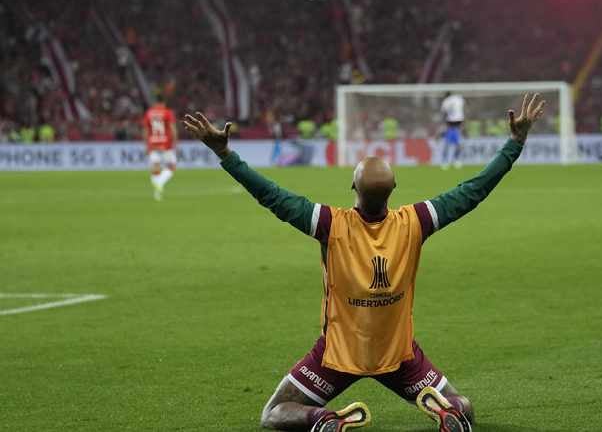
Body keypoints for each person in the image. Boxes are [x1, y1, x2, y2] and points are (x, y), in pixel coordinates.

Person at [183, 93, 547, 432]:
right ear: (393, 190)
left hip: (337, 355)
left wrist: (226, 154)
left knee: (274, 414)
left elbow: (272, 197)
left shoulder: (330, 224)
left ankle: (323, 417)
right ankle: (444, 408)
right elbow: (473, 191)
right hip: (400, 357)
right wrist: (514, 144)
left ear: (353, 189)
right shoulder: (414, 222)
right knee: (463, 406)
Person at [143, 95, 178, 201]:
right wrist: (175, 143)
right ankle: (160, 183)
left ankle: (157, 192)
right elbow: (173, 129)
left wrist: (146, 145)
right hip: (165, 144)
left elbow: (145, 131)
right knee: (171, 166)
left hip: (153, 143)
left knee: (155, 168)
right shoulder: (167, 113)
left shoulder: (148, 113)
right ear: (163, 102)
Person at [439, 92, 465, 169]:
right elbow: (463, 108)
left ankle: (445, 161)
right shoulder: (459, 99)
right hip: (458, 124)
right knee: (458, 144)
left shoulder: (445, 101)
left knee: (447, 144)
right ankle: (456, 160)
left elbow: (444, 113)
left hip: (450, 124)